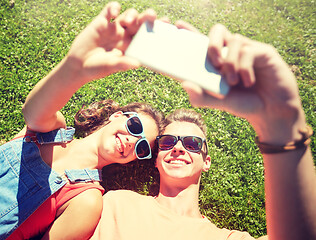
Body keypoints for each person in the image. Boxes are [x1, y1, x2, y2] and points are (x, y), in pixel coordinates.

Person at [90, 18, 316, 240]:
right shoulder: (114, 203)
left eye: (192, 144)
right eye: (168, 142)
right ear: (156, 158)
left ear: (206, 161)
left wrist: (282, 125)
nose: (178, 148)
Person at [0, 3, 163, 240]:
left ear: (131, 160)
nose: (131, 141)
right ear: (117, 116)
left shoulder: (87, 201)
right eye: (135, 127)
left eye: (141, 147)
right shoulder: (51, 129)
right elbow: (32, 111)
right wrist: (74, 68)